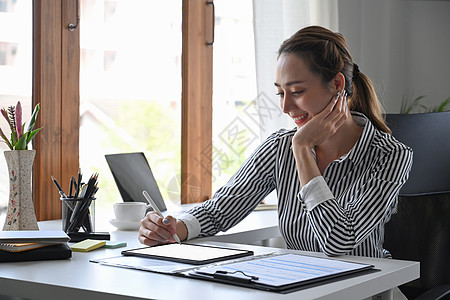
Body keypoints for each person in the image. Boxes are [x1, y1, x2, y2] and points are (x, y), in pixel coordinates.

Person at [138, 26, 413, 258]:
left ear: (338, 85)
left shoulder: (389, 156)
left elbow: (338, 241)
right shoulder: (279, 147)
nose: (285, 107)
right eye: (281, 93)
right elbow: (220, 211)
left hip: (366, 290)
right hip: (302, 288)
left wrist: (303, 151)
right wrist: (173, 227)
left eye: (297, 91)